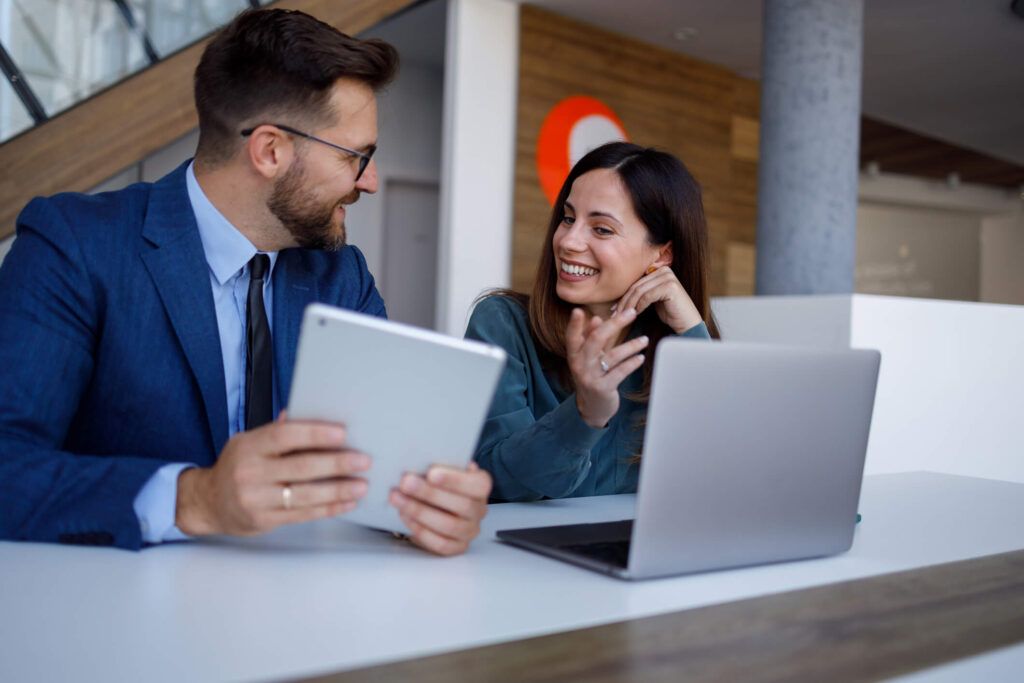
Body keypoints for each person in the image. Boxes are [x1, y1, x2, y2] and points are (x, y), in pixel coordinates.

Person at [0, 8, 490, 555]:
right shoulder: (74, 244)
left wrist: (429, 503)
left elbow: (390, 456)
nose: (370, 181)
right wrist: (197, 499)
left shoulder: (340, 274)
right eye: (358, 157)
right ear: (271, 150)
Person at [466, 141, 719, 502]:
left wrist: (694, 332)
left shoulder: (676, 344)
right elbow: (496, 482)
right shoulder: (502, 322)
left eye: (601, 229)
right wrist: (586, 414)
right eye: (568, 218)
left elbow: (721, 473)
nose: (568, 241)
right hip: (521, 554)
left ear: (662, 254)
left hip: (642, 552)